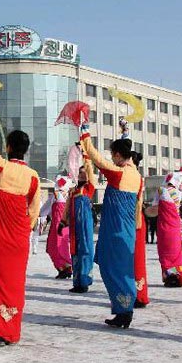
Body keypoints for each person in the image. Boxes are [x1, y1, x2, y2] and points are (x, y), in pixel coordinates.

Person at [0, 108, 41, 346]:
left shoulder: (2, 168)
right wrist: (26, 229)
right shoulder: (33, 176)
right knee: (15, 286)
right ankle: (11, 330)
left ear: (10, 147)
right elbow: (34, 209)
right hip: (19, 241)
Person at [80, 123, 143, 329]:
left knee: (112, 268)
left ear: (117, 155)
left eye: (113, 155)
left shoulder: (119, 173)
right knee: (118, 267)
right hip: (125, 230)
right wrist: (125, 133)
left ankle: (125, 310)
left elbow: (96, 157)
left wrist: (85, 134)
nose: (112, 159)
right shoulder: (136, 175)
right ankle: (122, 309)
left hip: (115, 230)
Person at [59, 159, 97, 294]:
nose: (82, 175)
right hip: (74, 227)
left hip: (85, 226)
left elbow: (91, 175)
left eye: (84, 173)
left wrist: (87, 159)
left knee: (85, 252)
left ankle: (85, 282)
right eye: (80, 173)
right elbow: (67, 208)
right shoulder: (72, 191)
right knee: (75, 253)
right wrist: (62, 222)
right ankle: (77, 283)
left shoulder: (89, 188)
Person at [153, 168, 182, 288]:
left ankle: (168, 275)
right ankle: (179, 275)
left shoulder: (160, 190)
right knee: (176, 251)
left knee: (165, 251)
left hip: (163, 226)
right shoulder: (177, 193)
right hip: (175, 226)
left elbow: (154, 206)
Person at [45, 173, 74, 279]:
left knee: (56, 247)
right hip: (63, 226)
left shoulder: (58, 197)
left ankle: (65, 267)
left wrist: (38, 215)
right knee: (58, 247)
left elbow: (45, 209)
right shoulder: (69, 198)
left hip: (60, 226)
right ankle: (63, 268)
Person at [132, 154, 149, 308]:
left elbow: (137, 202)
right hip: (130, 220)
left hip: (134, 221)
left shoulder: (135, 177)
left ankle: (139, 294)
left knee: (136, 258)